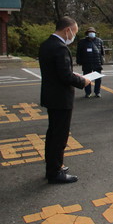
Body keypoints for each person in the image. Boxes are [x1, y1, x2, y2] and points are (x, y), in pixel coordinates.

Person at [39, 16, 90, 184]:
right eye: (74, 32)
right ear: (67, 30)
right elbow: (65, 76)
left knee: (52, 133)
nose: (73, 36)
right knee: (59, 136)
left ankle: (53, 166)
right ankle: (55, 172)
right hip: (61, 98)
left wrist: (72, 75)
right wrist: (83, 81)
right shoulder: (60, 48)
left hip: (51, 96)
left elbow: (56, 71)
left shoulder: (46, 45)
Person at [76, 27, 105, 98]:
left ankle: (97, 92)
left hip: (97, 62)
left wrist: (101, 60)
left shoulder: (99, 41)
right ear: (87, 33)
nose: (92, 33)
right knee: (87, 78)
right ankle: (88, 92)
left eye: (93, 32)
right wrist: (79, 61)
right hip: (86, 62)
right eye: (90, 32)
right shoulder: (82, 42)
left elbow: (102, 52)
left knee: (98, 79)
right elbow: (79, 53)